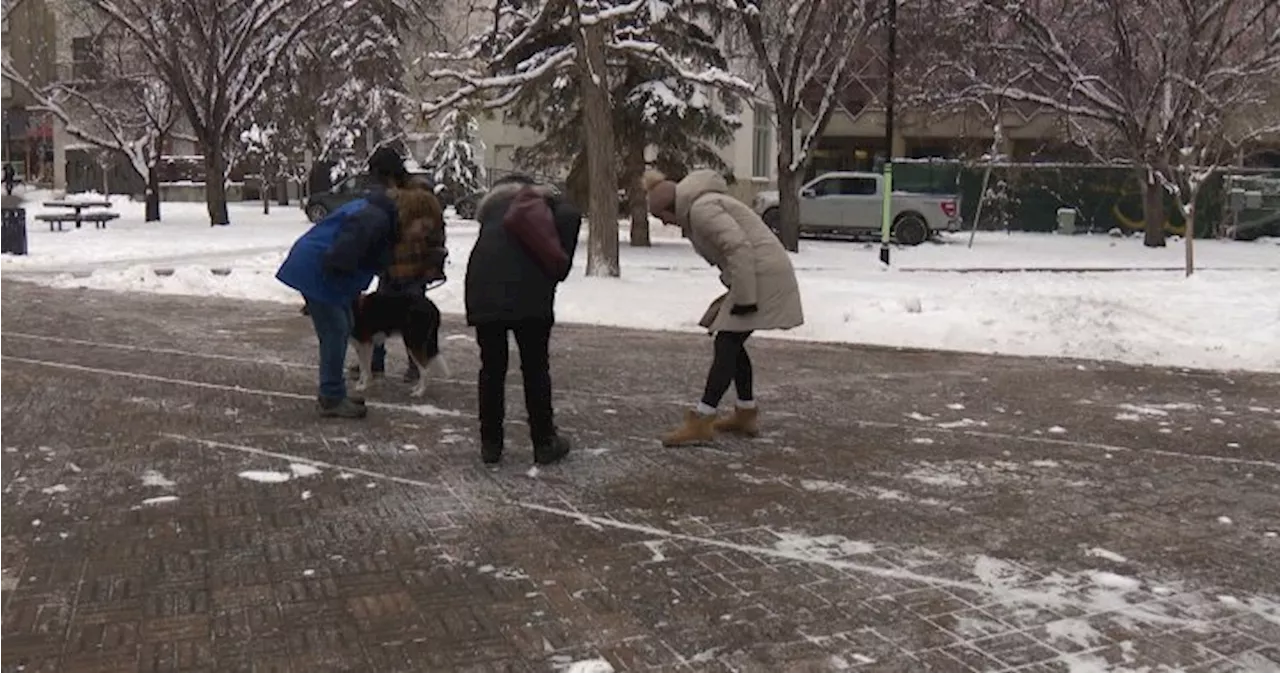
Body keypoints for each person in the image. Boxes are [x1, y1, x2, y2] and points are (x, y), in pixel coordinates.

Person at [645, 169, 804, 446]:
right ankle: (745, 413)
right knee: (730, 340)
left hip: (761, 277)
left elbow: (738, 248)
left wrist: (744, 298)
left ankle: (703, 420)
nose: (667, 225)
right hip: (757, 275)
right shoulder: (700, 207)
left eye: (662, 218)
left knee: (727, 342)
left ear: (671, 208)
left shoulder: (702, 211)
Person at [276, 147, 408, 419]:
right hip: (318, 269)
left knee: (342, 325)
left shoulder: (375, 209)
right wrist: (342, 289)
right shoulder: (375, 214)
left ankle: (333, 392)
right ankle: (331, 398)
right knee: (336, 329)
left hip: (317, 266)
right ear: (394, 185)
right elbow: (343, 254)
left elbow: (366, 253)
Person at [465, 174, 580, 465]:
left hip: (482, 291)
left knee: (491, 368)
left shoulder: (491, 212)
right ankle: (544, 442)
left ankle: (490, 444)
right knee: (535, 368)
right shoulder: (539, 207)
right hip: (530, 295)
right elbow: (570, 216)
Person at [353, 175, 448, 382]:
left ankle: (398, 364)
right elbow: (437, 243)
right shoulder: (410, 211)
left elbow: (436, 244)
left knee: (390, 321)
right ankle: (394, 364)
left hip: (401, 271)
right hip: (404, 271)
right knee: (386, 320)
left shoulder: (407, 210)